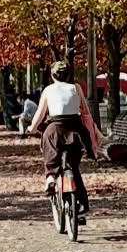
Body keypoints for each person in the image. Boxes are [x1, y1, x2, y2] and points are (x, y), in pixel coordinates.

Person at [29, 62, 103, 216]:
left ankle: (50, 177)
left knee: (51, 155)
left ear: (52, 75)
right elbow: (85, 113)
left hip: (55, 128)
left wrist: (32, 128)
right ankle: (82, 203)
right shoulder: (76, 88)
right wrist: (92, 140)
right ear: (68, 74)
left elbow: (40, 114)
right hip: (75, 129)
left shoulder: (48, 90)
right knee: (74, 167)